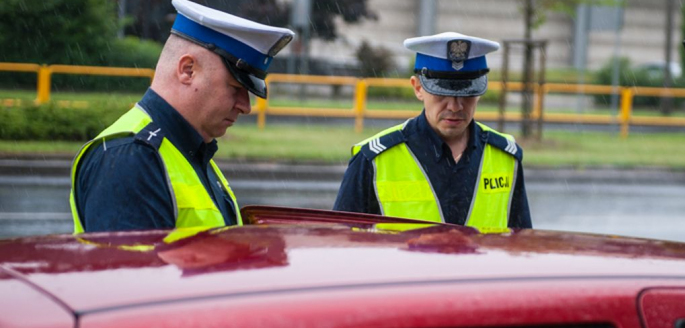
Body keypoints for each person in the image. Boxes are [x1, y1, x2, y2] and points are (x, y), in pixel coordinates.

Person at [69, 0, 294, 233]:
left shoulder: (188, 149)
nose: (246, 107)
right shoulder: (131, 157)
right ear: (188, 70)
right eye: (235, 87)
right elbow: (127, 259)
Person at [333, 32, 531, 230]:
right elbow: (341, 240)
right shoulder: (373, 160)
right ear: (418, 88)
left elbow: (522, 241)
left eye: (466, 93)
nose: (455, 106)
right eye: (441, 93)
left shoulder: (506, 158)